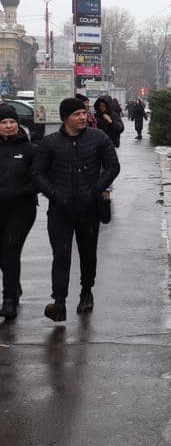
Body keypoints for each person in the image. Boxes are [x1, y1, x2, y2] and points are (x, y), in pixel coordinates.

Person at [32, 97, 120, 322]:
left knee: (88, 253)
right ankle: (59, 302)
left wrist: (95, 190)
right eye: (77, 114)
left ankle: (86, 291)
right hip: (60, 209)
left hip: (88, 208)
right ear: (65, 118)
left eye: (84, 113)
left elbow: (113, 167)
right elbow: (38, 173)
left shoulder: (98, 137)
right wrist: (54, 194)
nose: (83, 117)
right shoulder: (50, 143)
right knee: (61, 255)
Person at [0, 104, 36, 319]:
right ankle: (14, 285)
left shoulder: (28, 149)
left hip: (21, 209)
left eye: (12, 122)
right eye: (4, 122)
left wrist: (29, 189)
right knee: (2, 253)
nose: (8, 126)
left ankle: (9, 299)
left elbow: (40, 175)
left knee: (10, 249)